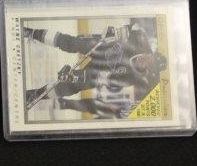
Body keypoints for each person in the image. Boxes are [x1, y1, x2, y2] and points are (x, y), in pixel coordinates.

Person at [23, 22, 167, 114]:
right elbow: (131, 27)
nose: (146, 59)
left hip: (99, 69)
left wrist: (74, 77)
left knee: (73, 85)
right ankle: (31, 33)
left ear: (149, 70)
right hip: (102, 46)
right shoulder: (140, 40)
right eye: (150, 56)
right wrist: (117, 32)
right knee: (72, 43)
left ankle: (33, 95)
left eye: (150, 63)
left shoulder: (132, 78)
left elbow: (100, 78)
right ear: (150, 53)